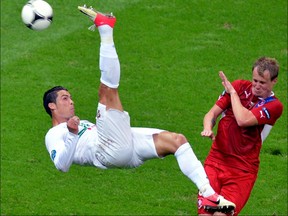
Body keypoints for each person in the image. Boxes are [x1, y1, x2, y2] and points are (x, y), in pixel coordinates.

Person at [43, 5, 236, 214]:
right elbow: (61, 166)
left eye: (70, 97)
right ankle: (105, 29)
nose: (71, 101)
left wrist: (75, 130)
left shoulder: (79, 123)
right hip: (107, 151)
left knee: (177, 140)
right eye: (64, 98)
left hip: (124, 149)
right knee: (107, 92)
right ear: (51, 106)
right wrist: (72, 134)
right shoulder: (53, 134)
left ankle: (208, 192)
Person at [199, 58, 283, 215]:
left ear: (274, 81)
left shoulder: (274, 106)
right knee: (205, 213)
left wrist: (232, 94)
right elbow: (211, 113)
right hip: (216, 160)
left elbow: (243, 120)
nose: (257, 86)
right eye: (255, 80)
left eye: (262, 83)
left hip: (241, 170)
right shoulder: (239, 87)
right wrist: (208, 128)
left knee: (221, 214)